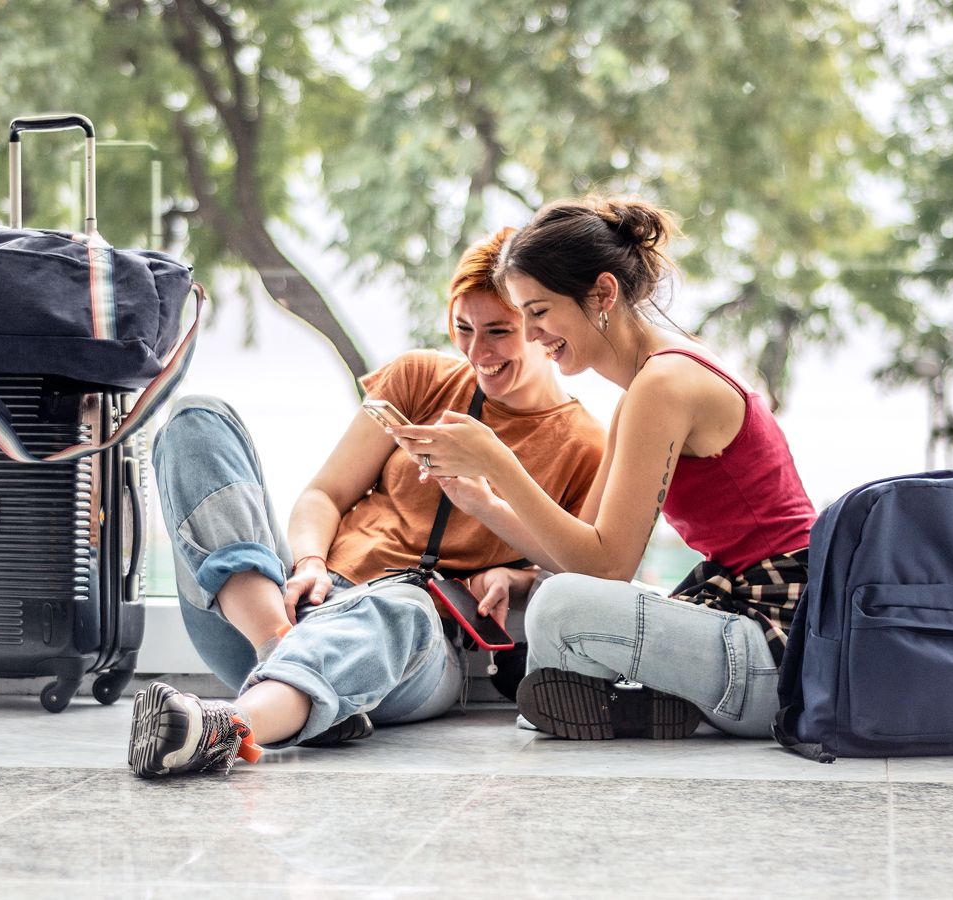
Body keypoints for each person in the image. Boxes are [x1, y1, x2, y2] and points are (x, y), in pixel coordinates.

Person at [127, 228, 605, 777]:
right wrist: (307, 563)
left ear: (544, 329)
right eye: (464, 329)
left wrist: (515, 576)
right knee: (196, 419)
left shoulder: (586, 445)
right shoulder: (419, 379)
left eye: (498, 331)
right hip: (277, 611)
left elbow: (580, 572)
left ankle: (225, 728)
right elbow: (324, 495)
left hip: (408, 647)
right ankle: (280, 649)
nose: (477, 353)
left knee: (401, 605)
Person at [392, 198, 815, 740]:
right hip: (752, 635)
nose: (532, 334)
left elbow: (607, 569)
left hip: (779, 648)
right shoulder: (646, 386)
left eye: (539, 312)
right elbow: (578, 558)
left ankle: (617, 704)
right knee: (557, 595)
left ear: (603, 294)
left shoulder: (664, 384)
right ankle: (627, 705)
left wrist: (499, 460)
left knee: (560, 608)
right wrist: (483, 501)